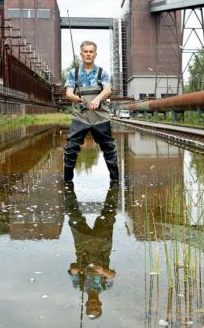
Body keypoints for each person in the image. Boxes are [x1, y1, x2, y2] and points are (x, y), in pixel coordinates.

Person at [64, 41, 119, 182]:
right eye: (86, 51)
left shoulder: (102, 73)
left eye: (91, 52)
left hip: (100, 116)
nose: (88, 54)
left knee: (108, 148)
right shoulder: (73, 73)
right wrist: (78, 99)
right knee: (71, 147)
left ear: (95, 54)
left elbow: (107, 89)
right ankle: (67, 181)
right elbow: (68, 93)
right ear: (81, 54)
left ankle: (115, 180)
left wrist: (97, 99)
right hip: (80, 115)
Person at [65, 182, 118, 319]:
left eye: (90, 308)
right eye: (96, 308)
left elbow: (72, 269)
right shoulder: (105, 286)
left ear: (86, 305)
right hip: (103, 245)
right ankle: (115, 182)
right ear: (101, 304)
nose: (93, 306)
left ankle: (67, 185)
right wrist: (103, 271)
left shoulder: (79, 286)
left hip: (83, 246)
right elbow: (112, 275)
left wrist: (76, 270)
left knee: (73, 216)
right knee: (109, 214)